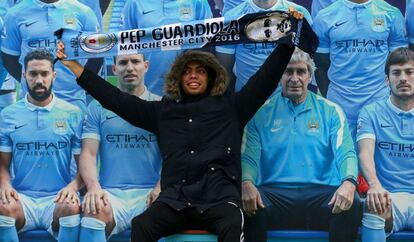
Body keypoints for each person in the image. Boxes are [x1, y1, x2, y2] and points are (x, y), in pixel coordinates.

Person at [57, 8, 306, 242]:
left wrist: (288, 37)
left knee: (233, 223)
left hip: (219, 200)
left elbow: (266, 78)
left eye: (200, 71)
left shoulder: (233, 107)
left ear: (212, 76)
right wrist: (74, 66)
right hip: (175, 200)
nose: (194, 76)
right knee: (142, 225)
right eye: (187, 72)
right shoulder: (163, 111)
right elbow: (115, 100)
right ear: (178, 77)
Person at [241, 48, 360, 242]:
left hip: (320, 194)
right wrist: (246, 182)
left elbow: (346, 152)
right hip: (275, 193)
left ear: (310, 76)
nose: (294, 78)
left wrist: (349, 182)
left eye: (301, 71)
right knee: (247, 200)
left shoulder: (331, 111)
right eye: (288, 71)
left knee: (352, 202)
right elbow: (248, 157)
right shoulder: (260, 113)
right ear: (280, 76)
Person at [0, 49, 84, 242]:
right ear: (24, 76)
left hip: (58, 198)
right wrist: (4, 184)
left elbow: (85, 166)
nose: (39, 80)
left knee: (71, 207)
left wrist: (73, 186)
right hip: (22, 198)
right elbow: (3, 164)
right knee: (3, 206)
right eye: (33, 74)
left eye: (44, 74)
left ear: (53, 75)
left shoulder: (73, 113)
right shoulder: (8, 115)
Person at [78, 54, 162, 242]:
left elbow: (174, 156)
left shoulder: (161, 105)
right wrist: (93, 187)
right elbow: (89, 154)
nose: (129, 68)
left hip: (151, 194)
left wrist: (161, 187)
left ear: (146, 66)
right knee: (93, 210)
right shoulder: (97, 107)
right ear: (114, 69)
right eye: (123, 63)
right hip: (111, 194)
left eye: (135, 62)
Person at [313, 0, 407, 139]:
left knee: (376, 158)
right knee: (343, 158)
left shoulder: (391, 13)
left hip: (379, 104)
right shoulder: (325, 16)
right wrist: (331, 101)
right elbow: (320, 67)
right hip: (339, 104)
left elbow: (399, 64)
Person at [1, 0, 100, 112]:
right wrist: (32, 82)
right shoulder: (15, 14)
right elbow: (9, 59)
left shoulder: (84, 12)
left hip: (73, 101)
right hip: (31, 104)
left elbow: (96, 57)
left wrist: (80, 84)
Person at [357, 47, 414, 242]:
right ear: (386, 80)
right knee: (374, 204)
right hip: (387, 196)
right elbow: (365, 153)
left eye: (409, 72)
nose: (403, 78)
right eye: (396, 73)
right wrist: (374, 185)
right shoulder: (371, 112)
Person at [121, 0, 213, 96]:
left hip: (186, 90)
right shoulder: (134, 3)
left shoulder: (198, 2)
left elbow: (207, 45)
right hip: (147, 89)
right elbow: (125, 45)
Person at [216, 0, 311, 92]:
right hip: (247, 99)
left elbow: (309, 62)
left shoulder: (299, 14)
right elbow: (224, 70)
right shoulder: (232, 17)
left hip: (287, 100)